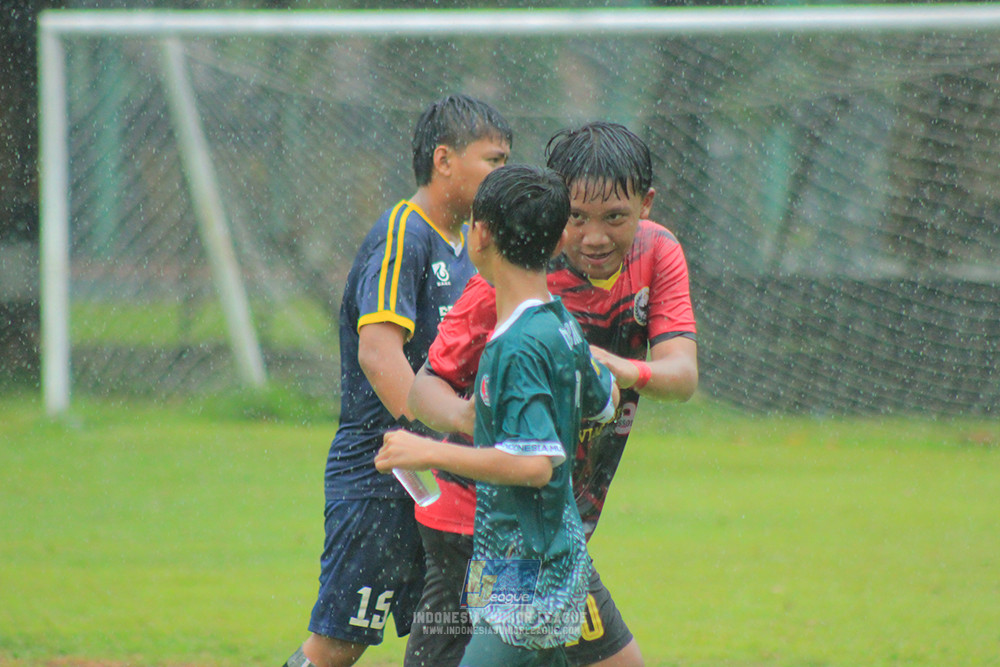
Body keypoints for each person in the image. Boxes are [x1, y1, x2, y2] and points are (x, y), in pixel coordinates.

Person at [404, 122, 699, 667]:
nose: (593, 236)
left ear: (646, 204)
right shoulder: (514, 279)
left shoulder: (656, 255)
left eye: (615, 217)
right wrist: (475, 422)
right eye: (576, 218)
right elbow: (424, 387)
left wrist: (615, 369)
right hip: (488, 522)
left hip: (550, 515)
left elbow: (681, 375)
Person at [280, 94, 511, 667]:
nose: (502, 174)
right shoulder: (403, 233)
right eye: (494, 160)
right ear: (444, 160)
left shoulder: (467, 248)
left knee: (444, 631)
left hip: (436, 471)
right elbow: (380, 356)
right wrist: (437, 433)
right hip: (381, 472)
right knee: (340, 642)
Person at [375, 163, 619, 666]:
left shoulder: (515, 347)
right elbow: (606, 400)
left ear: (480, 235)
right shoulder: (563, 326)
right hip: (524, 560)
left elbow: (534, 465)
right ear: (556, 242)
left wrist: (425, 448)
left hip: (526, 575)